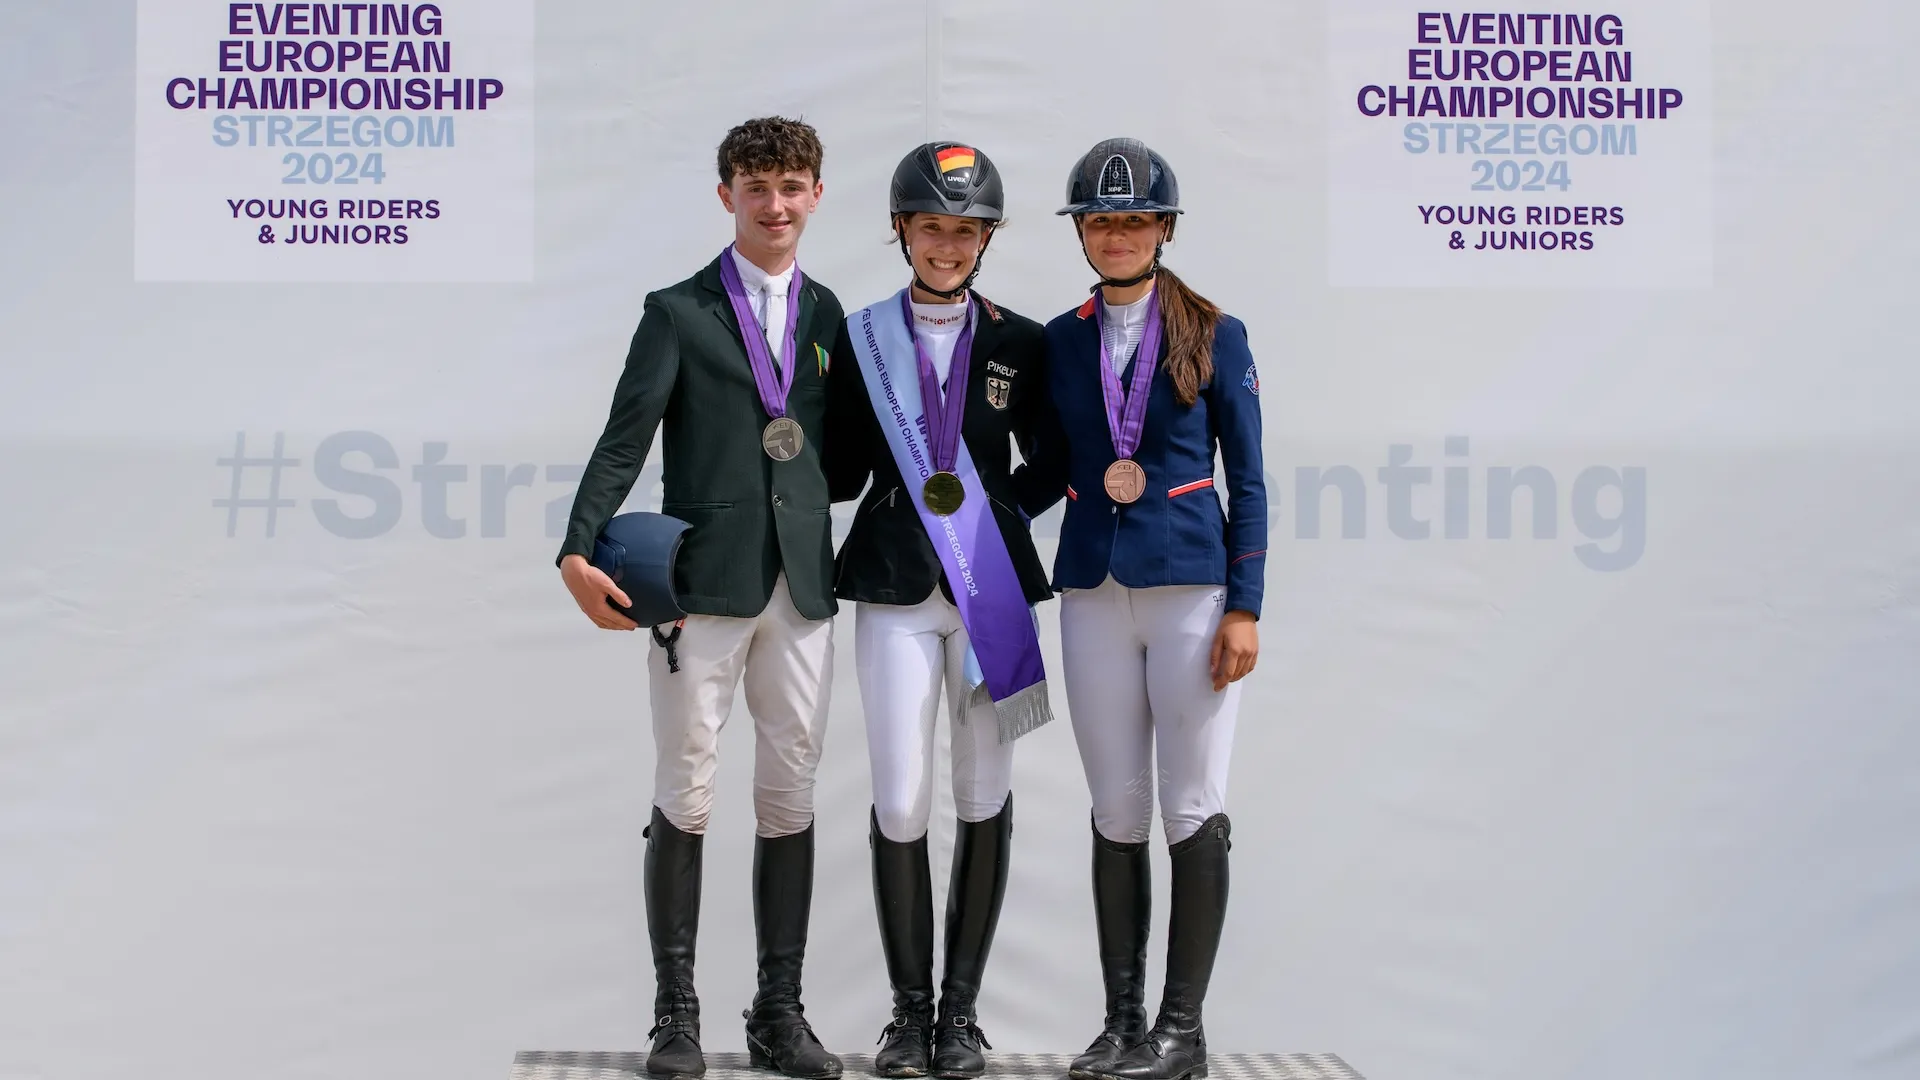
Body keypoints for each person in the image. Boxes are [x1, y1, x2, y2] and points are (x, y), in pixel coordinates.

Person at [554, 116, 849, 1080]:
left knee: (790, 792)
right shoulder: (677, 311)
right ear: (726, 194)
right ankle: (674, 1016)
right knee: (686, 788)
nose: (775, 204)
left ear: (815, 194)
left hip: (801, 587)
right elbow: (623, 437)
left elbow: (832, 456)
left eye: (792, 185)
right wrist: (575, 546)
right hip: (702, 588)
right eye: (756, 186)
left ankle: (778, 1012)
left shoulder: (830, 315)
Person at [824, 141, 1066, 1079]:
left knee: (985, 793)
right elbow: (844, 466)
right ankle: (906, 1017)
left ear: (987, 239)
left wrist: (998, 516)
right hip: (893, 586)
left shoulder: (1023, 342)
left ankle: (960, 1019)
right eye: (932, 227)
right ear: (902, 230)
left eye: (966, 231)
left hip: (991, 591)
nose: (948, 245)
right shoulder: (861, 334)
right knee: (900, 796)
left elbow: (1049, 460)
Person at [1041, 138, 1266, 1080]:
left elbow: (1248, 478)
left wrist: (1245, 606)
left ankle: (1184, 1031)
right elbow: (1052, 467)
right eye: (1102, 220)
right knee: (1115, 808)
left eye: (1134, 220)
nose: (1118, 234)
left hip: (1188, 587)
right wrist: (959, 521)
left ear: (1164, 229)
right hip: (1094, 588)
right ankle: (1124, 1024)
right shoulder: (1059, 339)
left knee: (1191, 803)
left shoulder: (1216, 331)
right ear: (1083, 234)